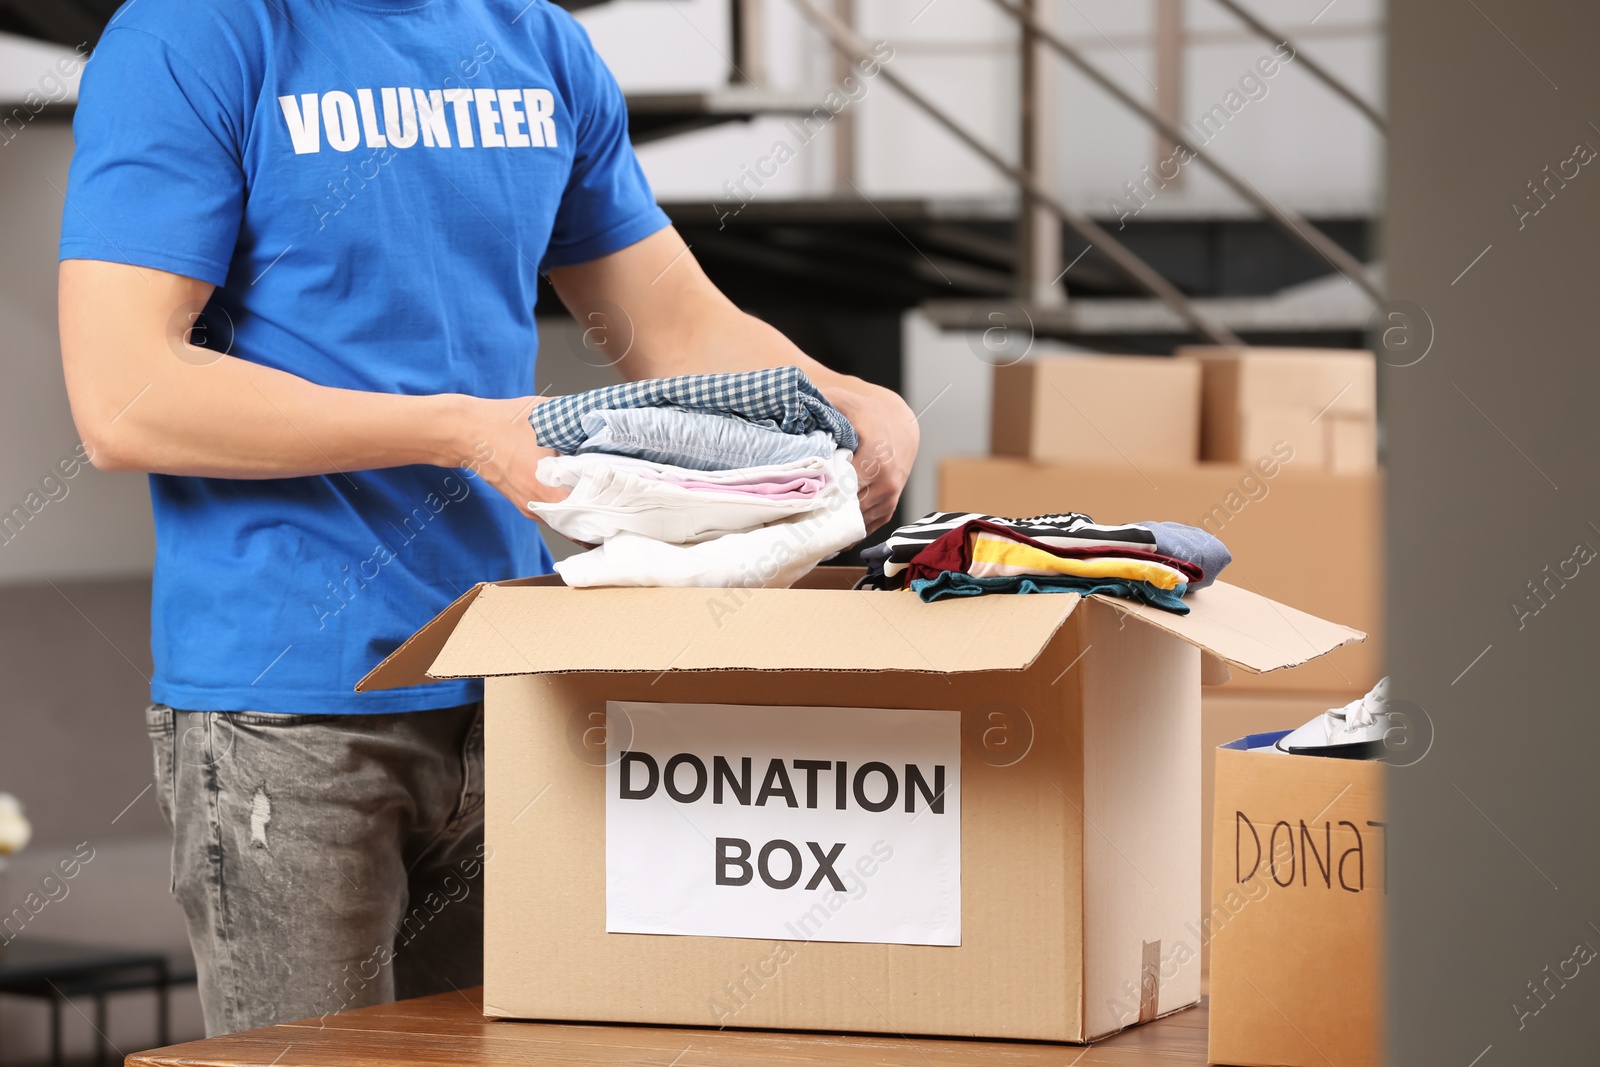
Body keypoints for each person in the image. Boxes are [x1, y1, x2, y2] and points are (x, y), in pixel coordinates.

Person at [56, 0, 917, 1036]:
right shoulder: (196, 35)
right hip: (285, 703)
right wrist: (461, 429)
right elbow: (124, 395)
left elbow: (676, 326)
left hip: (507, 673)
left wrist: (851, 396)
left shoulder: (537, 41)